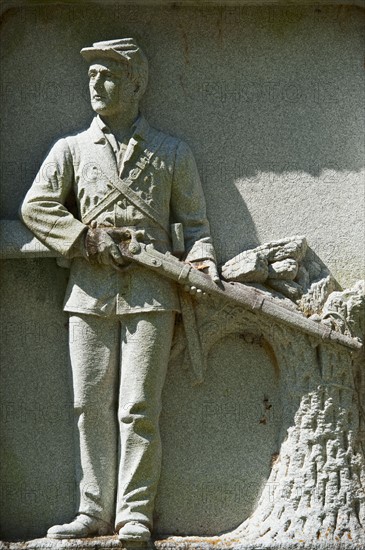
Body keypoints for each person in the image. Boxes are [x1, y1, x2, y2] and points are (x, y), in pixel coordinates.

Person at [21, 38, 217, 541]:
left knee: (138, 408)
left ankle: (134, 514)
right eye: (92, 75)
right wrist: (85, 239)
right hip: (89, 291)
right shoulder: (70, 149)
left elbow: (195, 227)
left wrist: (202, 262)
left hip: (152, 293)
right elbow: (36, 207)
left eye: (109, 75)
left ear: (137, 83)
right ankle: (92, 511)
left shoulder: (172, 152)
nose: (97, 84)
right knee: (88, 404)